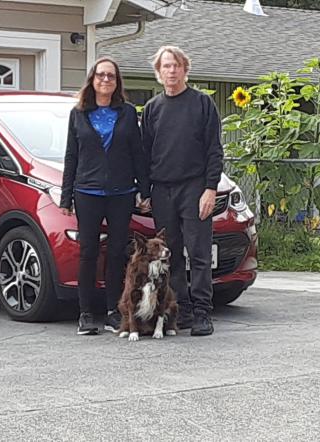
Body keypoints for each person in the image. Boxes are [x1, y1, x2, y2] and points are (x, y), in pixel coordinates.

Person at [60, 57, 151, 335]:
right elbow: (71, 156)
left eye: (111, 76)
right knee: (88, 252)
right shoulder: (79, 114)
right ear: (92, 79)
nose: (106, 80)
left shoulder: (126, 112)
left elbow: (138, 154)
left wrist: (144, 191)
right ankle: (86, 313)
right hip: (87, 192)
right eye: (101, 75)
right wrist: (66, 197)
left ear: (117, 82)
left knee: (115, 253)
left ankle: (114, 310)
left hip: (121, 193)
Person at [141, 46, 223, 336]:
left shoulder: (202, 104)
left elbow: (214, 150)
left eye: (176, 65)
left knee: (199, 253)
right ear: (158, 72)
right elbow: (144, 153)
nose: (171, 71)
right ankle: (182, 310)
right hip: (162, 190)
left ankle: (202, 313)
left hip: (194, 188)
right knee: (169, 255)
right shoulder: (152, 109)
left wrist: (210, 188)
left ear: (185, 69)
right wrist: (145, 190)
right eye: (165, 66)